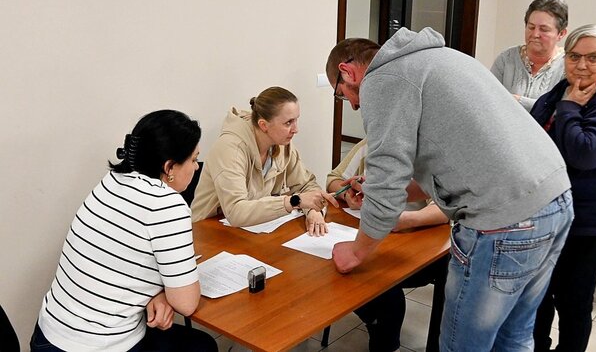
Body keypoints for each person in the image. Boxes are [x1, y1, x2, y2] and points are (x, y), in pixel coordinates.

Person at [326, 27, 574, 351]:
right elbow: (451, 164)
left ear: (347, 71)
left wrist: (356, 251)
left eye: (343, 95)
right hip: (554, 200)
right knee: (512, 337)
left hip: (504, 219)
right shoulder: (439, 58)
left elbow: (386, 181)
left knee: (463, 345)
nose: (354, 106)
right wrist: (388, 190)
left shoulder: (382, 79)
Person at [30, 110, 217, 352]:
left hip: (48, 335)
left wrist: (157, 293)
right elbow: (187, 304)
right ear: (169, 167)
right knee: (202, 346)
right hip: (100, 345)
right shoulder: (167, 204)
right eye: (193, 160)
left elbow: (121, 263)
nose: (196, 167)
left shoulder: (112, 181)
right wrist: (165, 294)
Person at [531, 24, 596, 352]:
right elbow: (532, 133)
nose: (582, 65)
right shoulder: (562, 90)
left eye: (593, 57)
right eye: (574, 56)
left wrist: (570, 109)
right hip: (550, 211)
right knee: (539, 294)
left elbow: (586, 153)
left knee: (573, 299)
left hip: (591, 220)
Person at [327, 138, 449, 352]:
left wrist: (404, 220)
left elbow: (443, 209)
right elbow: (333, 179)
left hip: (411, 246)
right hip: (366, 236)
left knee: (387, 291)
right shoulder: (369, 145)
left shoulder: (427, 154)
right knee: (374, 290)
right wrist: (347, 194)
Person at [191, 86, 336, 236]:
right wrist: (294, 201)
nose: (295, 129)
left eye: (296, 120)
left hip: (252, 232)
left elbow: (306, 184)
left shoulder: (281, 143)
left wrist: (313, 211)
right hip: (209, 232)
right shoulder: (231, 148)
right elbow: (235, 211)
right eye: (288, 123)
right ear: (263, 125)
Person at [491, 0, 569, 111]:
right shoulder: (506, 59)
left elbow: (562, 111)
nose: (535, 34)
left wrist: (517, 101)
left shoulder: (569, 65)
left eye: (544, 29)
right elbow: (489, 99)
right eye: (531, 27)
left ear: (561, 34)